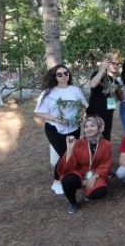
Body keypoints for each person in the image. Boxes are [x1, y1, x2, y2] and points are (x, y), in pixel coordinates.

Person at [34, 64, 88, 195]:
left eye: (66, 73)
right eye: (60, 74)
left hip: (73, 127)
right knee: (64, 154)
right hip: (55, 129)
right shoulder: (48, 93)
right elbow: (39, 112)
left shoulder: (75, 90)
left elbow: (84, 105)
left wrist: (81, 116)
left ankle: (72, 177)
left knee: (72, 153)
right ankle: (56, 182)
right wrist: (55, 119)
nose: (64, 76)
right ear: (55, 77)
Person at [58, 115, 112, 214]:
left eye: (92, 125)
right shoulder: (78, 143)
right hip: (79, 172)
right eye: (86, 126)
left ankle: (88, 193)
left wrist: (95, 176)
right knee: (68, 179)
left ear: (99, 127)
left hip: (95, 172)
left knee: (100, 192)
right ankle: (72, 202)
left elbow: (106, 163)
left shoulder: (106, 144)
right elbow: (67, 168)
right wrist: (69, 149)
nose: (89, 129)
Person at [87, 53, 120, 141]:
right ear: (107, 63)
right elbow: (93, 84)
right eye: (113, 63)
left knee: (106, 138)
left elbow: (115, 99)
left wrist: (113, 94)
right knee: (92, 137)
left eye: (117, 64)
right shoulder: (97, 74)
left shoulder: (115, 81)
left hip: (108, 114)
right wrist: (102, 69)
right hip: (95, 113)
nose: (116, 65)